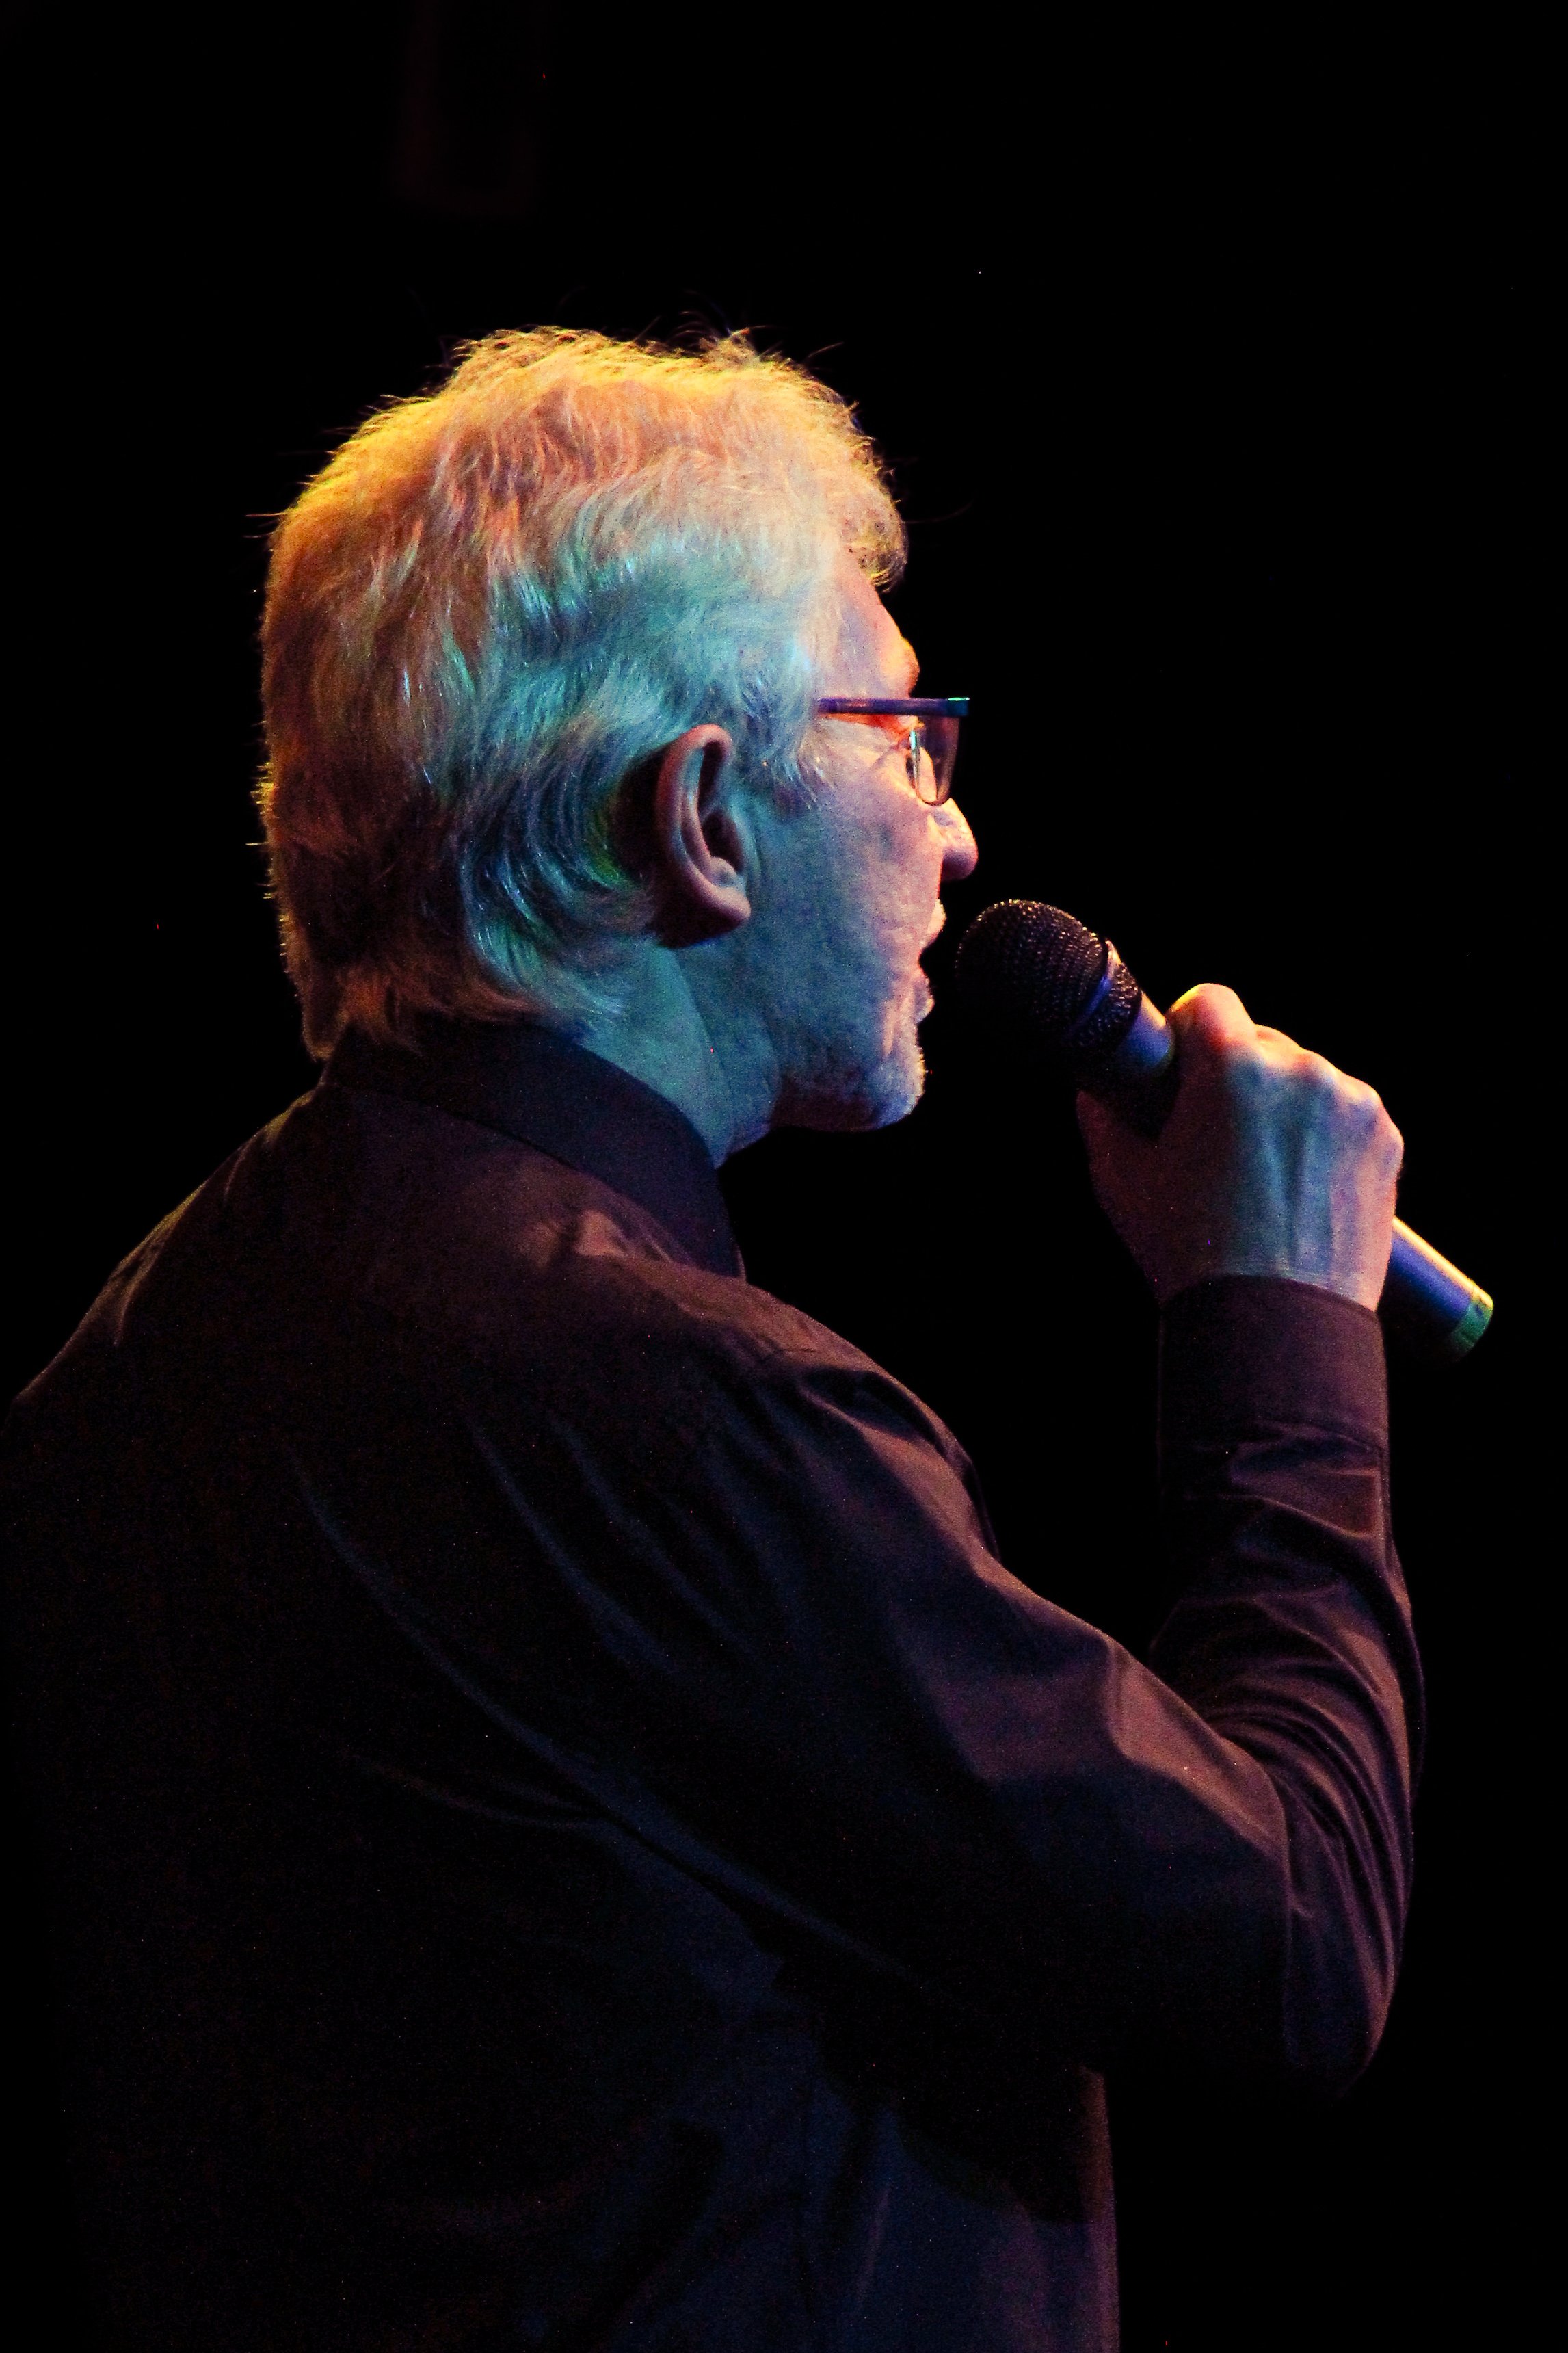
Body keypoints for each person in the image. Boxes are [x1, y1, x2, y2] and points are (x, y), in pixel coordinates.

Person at [1, 330, 1420, 2352]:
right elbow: (1285, 1946)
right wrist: (1279, 1332)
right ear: (704, 818)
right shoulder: (671, 1400)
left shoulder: (126, 1368)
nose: (956, 836)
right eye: (905, 735)